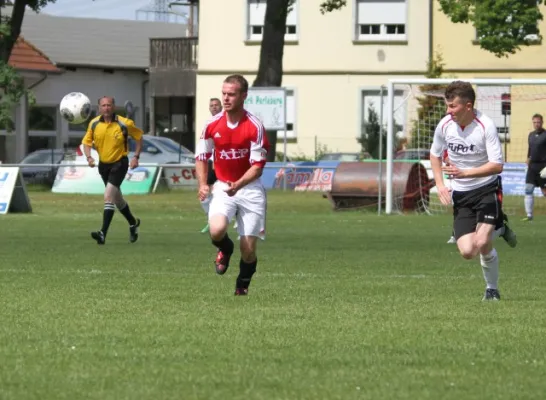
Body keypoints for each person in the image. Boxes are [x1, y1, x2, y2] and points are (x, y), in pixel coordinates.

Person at [429, 80, 517, 301]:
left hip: (487, 188)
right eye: (447, 106)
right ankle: (500, 226)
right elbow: (435, 154)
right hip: (461, 194)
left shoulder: (485, 125)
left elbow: (497, 165)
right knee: (468, 251)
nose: (448, 111)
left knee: (482, 243)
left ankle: (491, 290)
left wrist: (465, 173)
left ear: (468, 106)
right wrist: (440, 184)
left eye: (453, 106)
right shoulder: (445, 125)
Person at [195, 74, 269, 296]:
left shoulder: (254, 126)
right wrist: (202, 184)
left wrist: (239, 183)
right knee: (217, 230)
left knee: (248, 250)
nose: (226, 98)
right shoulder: (211, 124)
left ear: (243, 96)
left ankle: (242, 285)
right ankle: (225, 250)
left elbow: (257, 166)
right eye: (224, 93)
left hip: (250, 189)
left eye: (231, 94)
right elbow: (201, 156)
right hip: (224, 186)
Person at [82, 96, 143, 245]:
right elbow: (86, 142)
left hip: (119, 163)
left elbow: (139, 136)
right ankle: (133, 223)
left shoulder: (124, 123)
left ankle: (102, 233)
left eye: (109, 105)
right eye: (103, 105)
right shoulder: (94, 123)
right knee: (117, 199)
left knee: (108, 196)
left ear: (114, 107)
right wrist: (89, 157)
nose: (106, 108)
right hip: (104, 165)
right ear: (99, 108)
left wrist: (136, 156)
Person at [200, 98, 223, 233]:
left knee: (227, 191)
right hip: (210, 161)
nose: (214, 107)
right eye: (212, 105)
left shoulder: (226, 120)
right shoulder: (208, 123)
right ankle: (210, 220)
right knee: (204, 192)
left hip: (224, 162)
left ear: (221, 107)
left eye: (216, 105)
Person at [522, 113, 546, 221]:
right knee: (528, 189)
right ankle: (529, 215)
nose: (536, 124)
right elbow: (530, 150)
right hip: (532, 166)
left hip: (543, 166)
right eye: (535, 122)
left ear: (542, 122)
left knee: (544, 191)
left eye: (538, 122)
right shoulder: (531, 135)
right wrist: (528, 159)